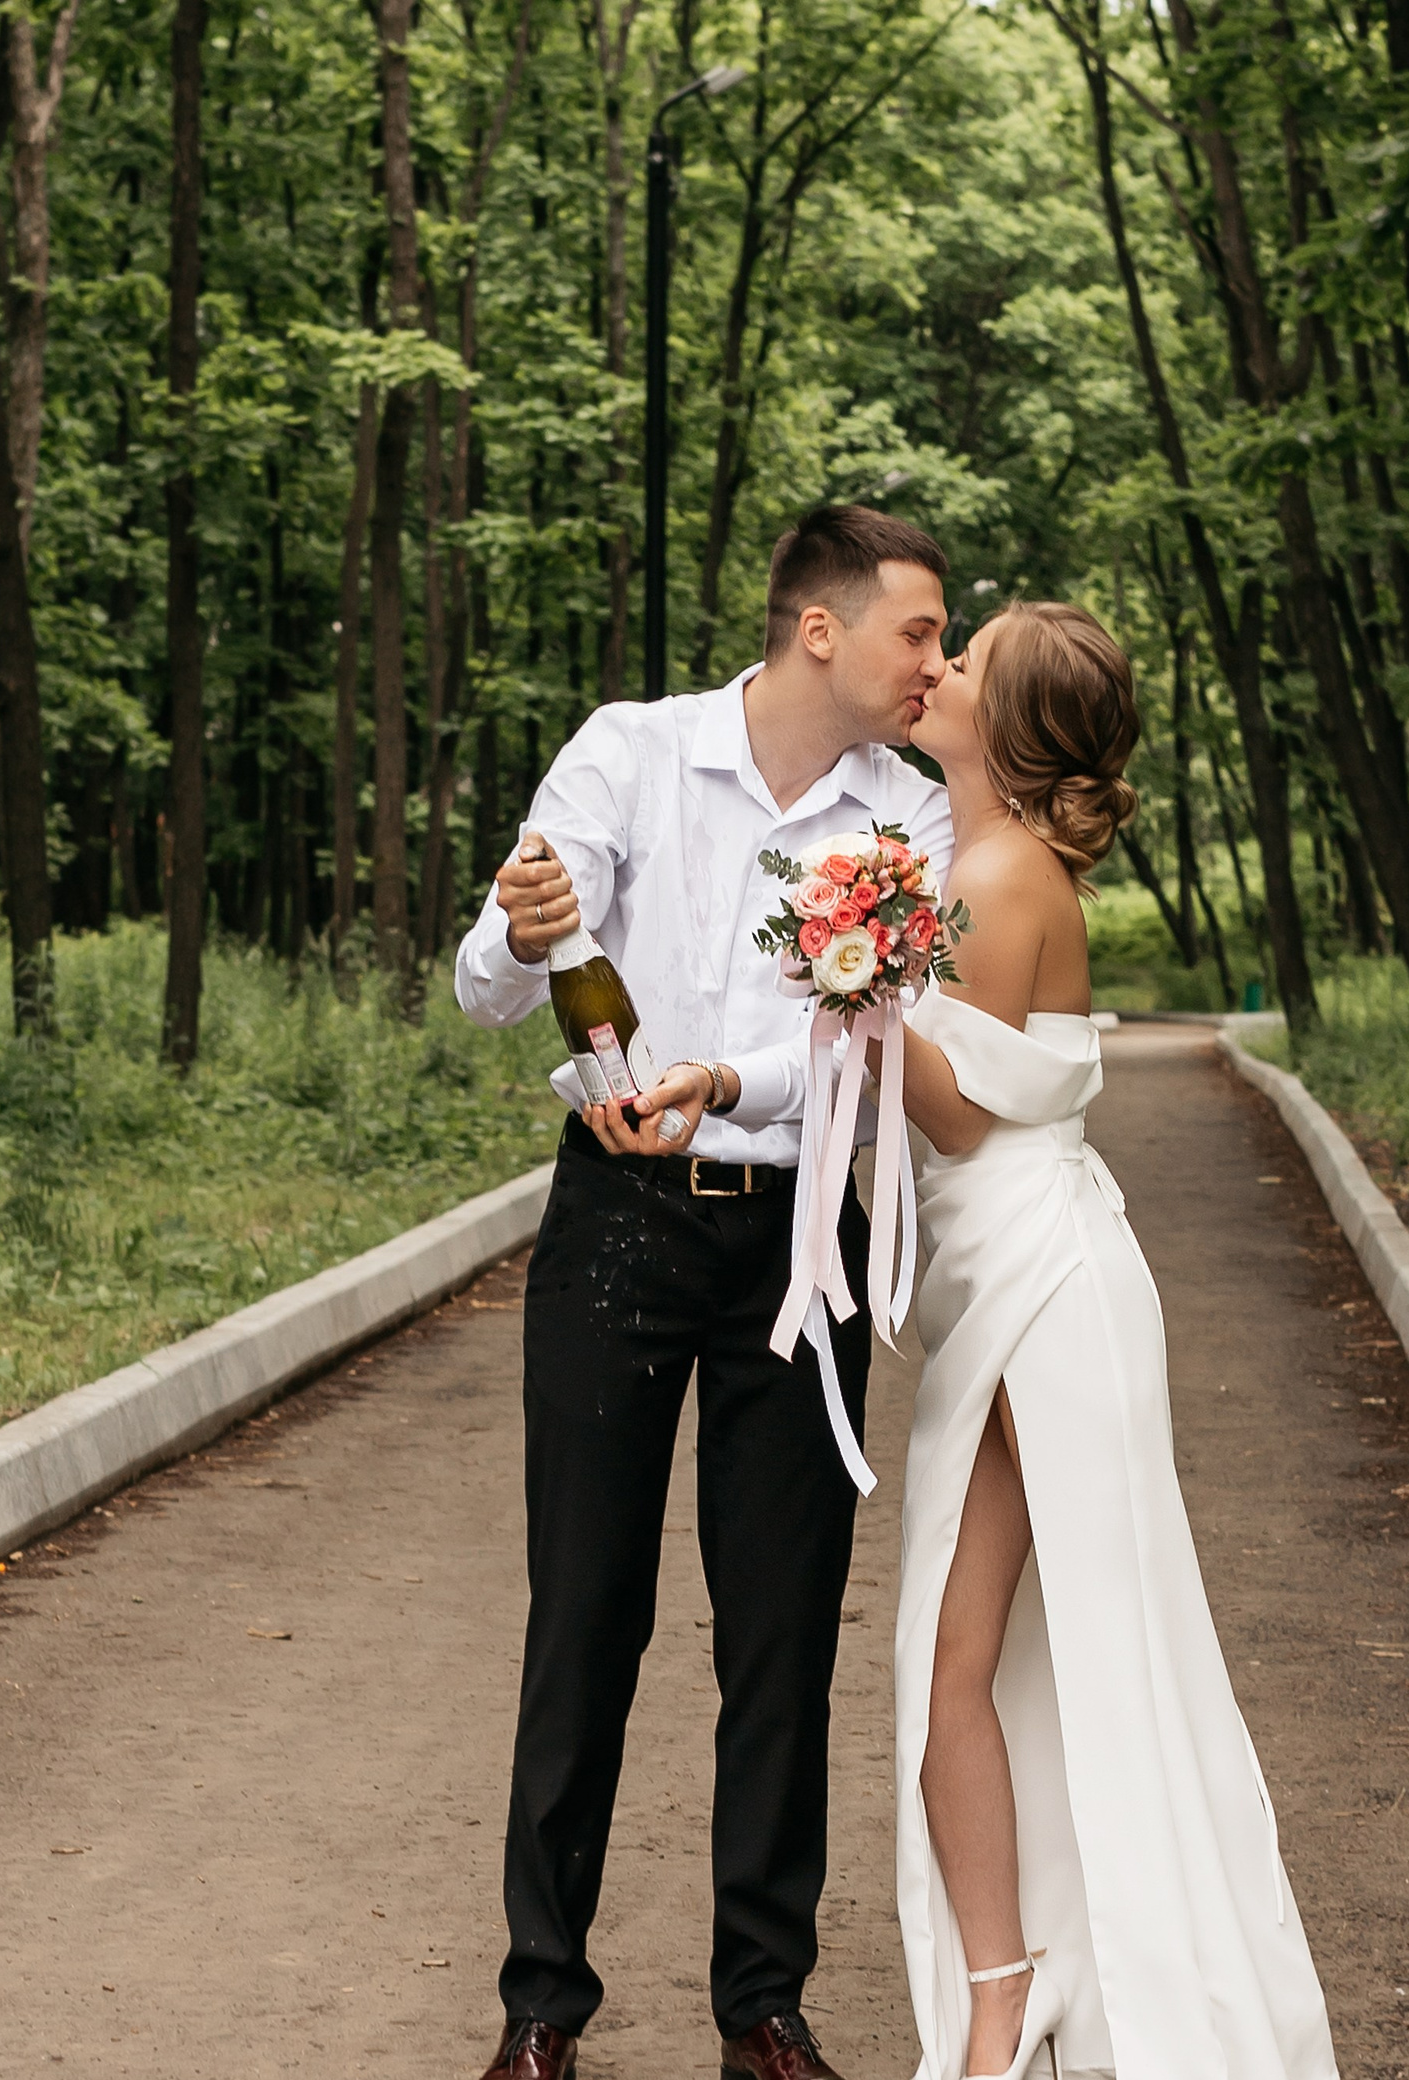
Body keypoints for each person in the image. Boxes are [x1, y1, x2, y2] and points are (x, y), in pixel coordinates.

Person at [454, 506, 956, 2080]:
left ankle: (763, 2005)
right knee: (587, 1610)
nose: (938, 663)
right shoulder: (633, 751)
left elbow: (875, 1066)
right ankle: (543, 2008)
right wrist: (527, 936)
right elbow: (490, 979)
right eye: (920, 633)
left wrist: (721, 1080)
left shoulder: (912, 823)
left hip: (801, 1249)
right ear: (823, 628)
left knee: (783, 1628)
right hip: (615, 1222)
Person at [883, 602, 1337, 2080]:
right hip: (1015, 1273)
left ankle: (1025, 2006)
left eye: (966, 661)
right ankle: (1017, 1995)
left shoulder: (1002, 875)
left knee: (1018, 1653)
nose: (937, 671)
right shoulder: (979, 863)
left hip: (1041, 1288)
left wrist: (859, 984)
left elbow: (952, 1109)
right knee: (998, 1651)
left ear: (1005, 732)